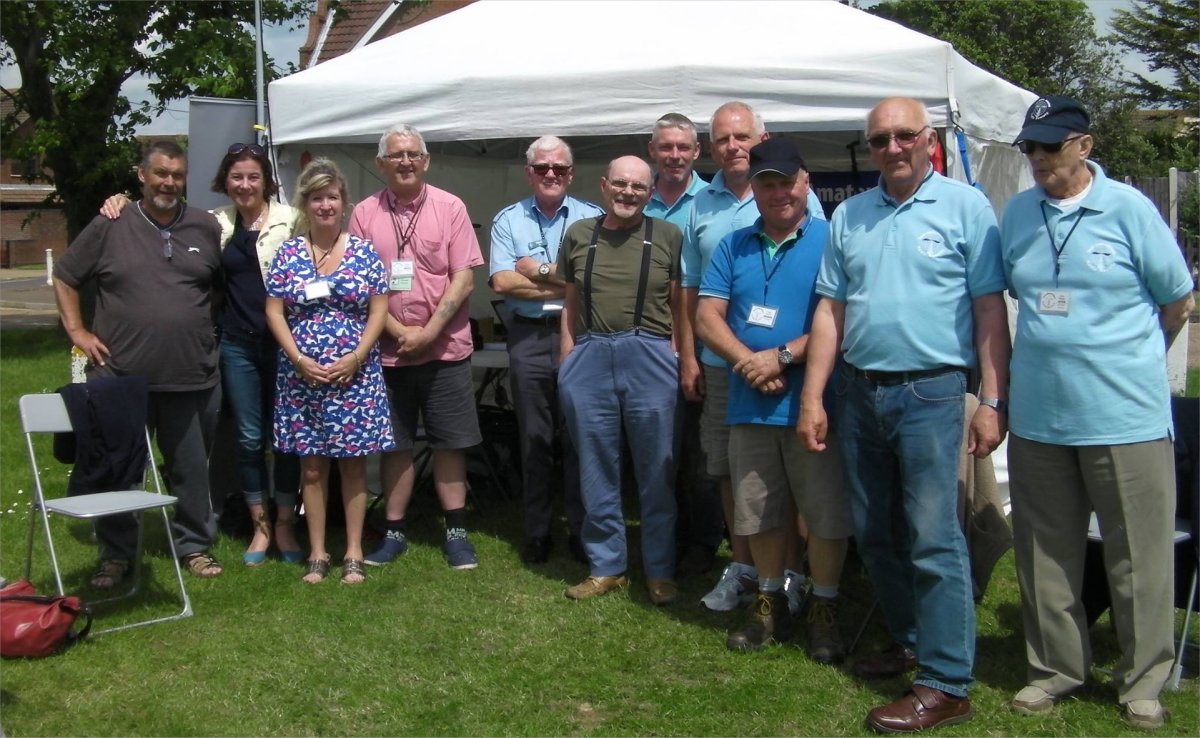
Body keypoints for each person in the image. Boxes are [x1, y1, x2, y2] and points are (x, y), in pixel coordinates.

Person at [798, 97, 1010, 733]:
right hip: (859, 393)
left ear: (928, 140)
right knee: (878, 532)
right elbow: (830, 312)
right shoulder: (852, 214)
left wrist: (993, 400)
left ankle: (947, 682)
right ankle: (914, 641)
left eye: (904, 136)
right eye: (880, 139)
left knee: (932, 534)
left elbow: (989, 311)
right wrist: (814, 395)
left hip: (932, 393)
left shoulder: (966, 206)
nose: (892, 148)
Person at [1000, 95, 1194, 730]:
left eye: (1050, 147)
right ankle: (1054, 669)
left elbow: (1177, 302)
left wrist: (1130, 362)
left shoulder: (1131, 209)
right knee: (1044, 555)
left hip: (1126, 419)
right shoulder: (1019, 215)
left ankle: (1142, 680)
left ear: (1083, 146)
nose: (1038, 159)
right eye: (1030, 148)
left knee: (1137, 557)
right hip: (1038, 419)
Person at [99, 143, 304, 567]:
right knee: (248, 438)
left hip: (288, 343)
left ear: (266, 180)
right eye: (236, 177)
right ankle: (259, 527)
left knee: (285, 438)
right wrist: (119, 200)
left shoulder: (294, 219)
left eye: (253, 176)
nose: (244, 184)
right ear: (224, 183)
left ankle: (285, 523)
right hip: (236, 344)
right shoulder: (212, 223)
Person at [695, 138, 851, 663]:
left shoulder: (834, 238)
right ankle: (767, 602)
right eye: (767, 182)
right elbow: (705, 316)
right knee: (757, 510)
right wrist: (749, 362)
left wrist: (780, 357)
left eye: (788, 180)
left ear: (806, 182)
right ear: (753, 189)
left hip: (814, 402)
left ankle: (825, 606)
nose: (779, 191)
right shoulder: (733, 244)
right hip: (749, 402)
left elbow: (842, 316)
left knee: (824, 511)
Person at [54, 141, 226, 584]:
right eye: (160, 173)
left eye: (177, 174)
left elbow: (217, 289)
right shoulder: (111, 222)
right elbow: (66, 276)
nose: (169, 182)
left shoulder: (205, 226)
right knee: (118, 469)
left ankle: (194, 546)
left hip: (191, 374)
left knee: (190, 469)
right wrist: (77, 332)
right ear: (141, 176)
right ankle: (115, 553)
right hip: (119, 377)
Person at [680, 101, 824, 613]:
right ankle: (745, 570)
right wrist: (701, 358)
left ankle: (794, 576)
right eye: (722, 139)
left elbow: (829, 302)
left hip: (800, 372)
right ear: (711, 146)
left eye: (742, 137)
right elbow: (694, 293)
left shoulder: (810, 213)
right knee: (735, 476)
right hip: (729, 372)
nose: (732, 146)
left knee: (801, 480)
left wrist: (780, 358)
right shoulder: (703, 203)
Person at [350, 124, 486, 571]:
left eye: (412, 154)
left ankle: (457, 531)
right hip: (387, 352)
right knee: (396, 444)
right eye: (396, 155)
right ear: (381, 164)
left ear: (425, 161)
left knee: (450, 442)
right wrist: (393, 328)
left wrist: (427, 332)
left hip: (444, 347)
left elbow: (464, 276)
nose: (405, 162)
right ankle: (393, 532)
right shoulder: (365, 213)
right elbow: (361, 283)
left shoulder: (451, 208)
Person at [557, 155, 684, 605]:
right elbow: (570, 304)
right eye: (621, 184)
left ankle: (660, 569)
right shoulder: (577, 235)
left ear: (650, 193)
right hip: (590, 355)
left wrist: (678, 358)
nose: (628, 193)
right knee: (596, 467)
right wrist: (567, 363)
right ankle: (606, 565)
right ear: (604, 186)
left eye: (638, 187)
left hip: (649, 354)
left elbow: (679, 307)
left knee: (656, 469)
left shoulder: (668, 235)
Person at [265, 158, 394, 585]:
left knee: (353, 466)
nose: (325, 205)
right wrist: (299, 359)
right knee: (313, 468)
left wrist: (357, 356)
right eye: (317, 197)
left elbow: (379, 310)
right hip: (302, 377)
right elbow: (275, 312)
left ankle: (353, 551)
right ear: (305, 203)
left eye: (332, 197)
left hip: (353, 375)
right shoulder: (289, 252)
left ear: (344, 203)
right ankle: (318, 552)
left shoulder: (363, 252)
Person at [489, 135, 603, 565]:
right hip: (530, 336)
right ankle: (537, 531)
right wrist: (566, 279)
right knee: (534, 437)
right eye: (541, 168)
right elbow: (501, 282)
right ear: (529, 173)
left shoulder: (594, 217)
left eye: (558, 168)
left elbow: (592, 281)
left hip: (583, 332)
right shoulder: (508, 220)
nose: (550, 174)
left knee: (580, 437)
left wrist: (536, 270)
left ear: (571, 173)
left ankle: (581, 529)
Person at [644, 112, 723, 579]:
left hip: (698, 343)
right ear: (652, 150)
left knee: (699, 452)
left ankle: (703, 541)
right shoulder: (633, 199)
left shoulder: (711, 202)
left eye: (683, 147)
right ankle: (663, 536)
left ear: (697, 153)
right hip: (649, 347)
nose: (674, 155)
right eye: (665, 147)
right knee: (659, 450)